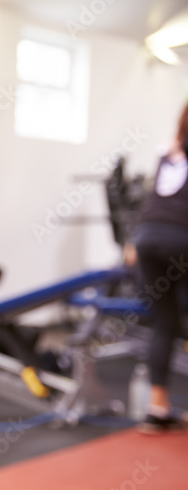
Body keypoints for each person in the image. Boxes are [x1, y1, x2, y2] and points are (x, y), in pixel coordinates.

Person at [125, 102, 188, 434]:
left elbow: (153, 201)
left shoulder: (168, 151)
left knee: (165, 323)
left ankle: (157, 408)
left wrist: (132, 242)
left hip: (148, 241)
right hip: (181, 240)